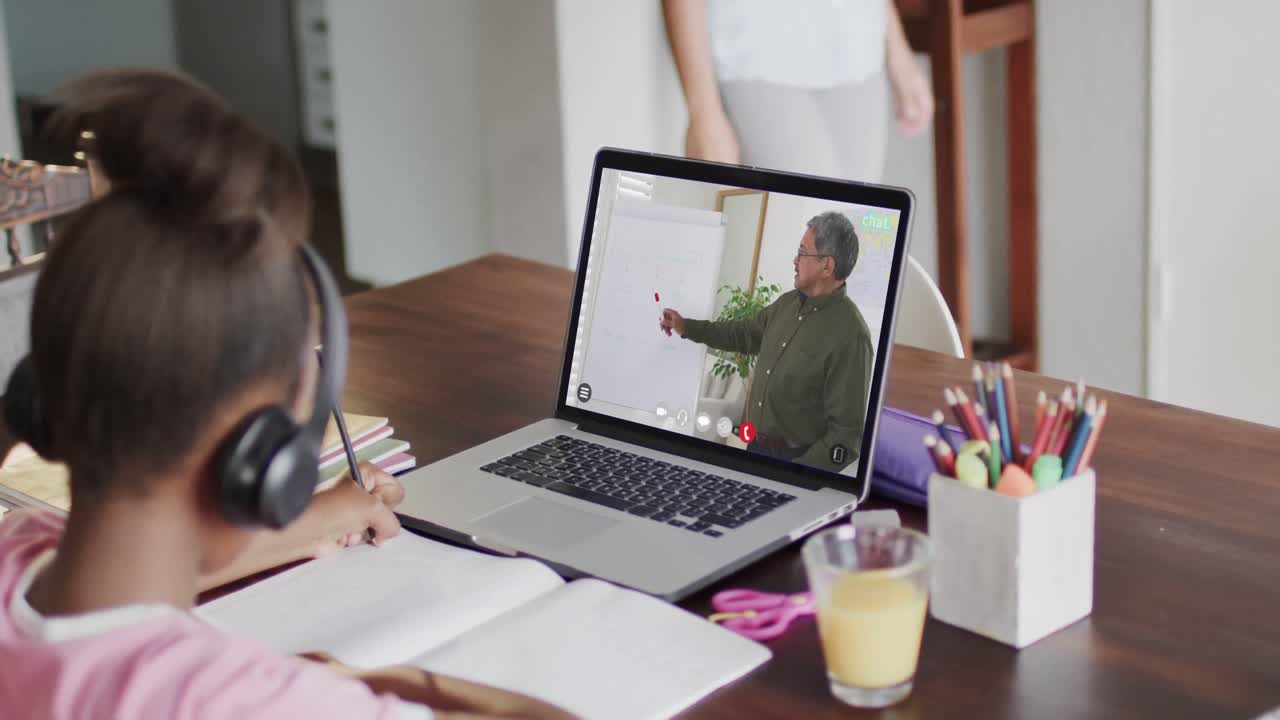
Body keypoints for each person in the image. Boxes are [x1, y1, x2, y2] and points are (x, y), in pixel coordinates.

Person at [0, 68, 572, 720]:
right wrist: (378, 684)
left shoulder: (19, 550)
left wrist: (313, 522)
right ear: (261, 463)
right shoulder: (232, 701)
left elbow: (118, 607)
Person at [659, 212, 873, 470]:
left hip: (794, 463)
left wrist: (797, 476)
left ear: (827, 266)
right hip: (754, 449)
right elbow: (742, 334)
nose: (794, 260)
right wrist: (686, 327)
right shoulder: (786, 304)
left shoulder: (851, 336)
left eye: (802, 252)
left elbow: (845, 437)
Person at [662, 0, 934, 181]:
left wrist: (898, 49)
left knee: (858, 243)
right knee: (807, 234)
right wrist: (703, 111)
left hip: (857, 46)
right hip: (753, 51)